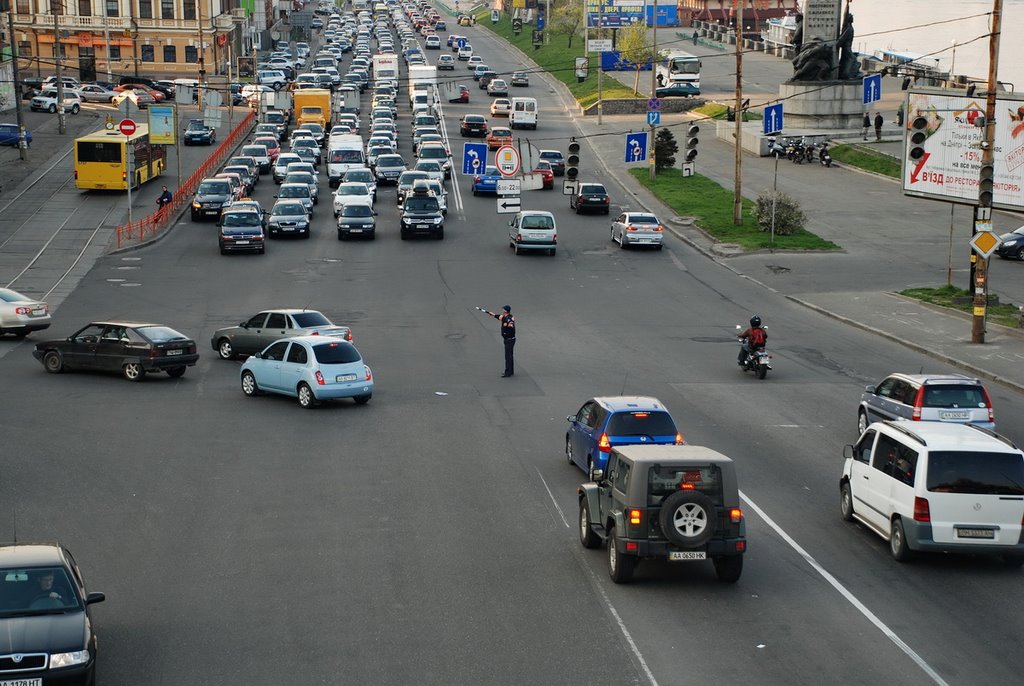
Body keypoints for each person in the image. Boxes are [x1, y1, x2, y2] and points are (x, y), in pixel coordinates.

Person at [480, 305, 516, 377]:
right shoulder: (506, 317)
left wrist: (509, 325)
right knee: (510, 356)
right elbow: (499, 317)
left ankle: (507, 373)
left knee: (508, 356)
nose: (502, 311)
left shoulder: (508, 319)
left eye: (503, 310)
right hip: (510, 339)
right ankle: (511, 371)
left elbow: (510, 323)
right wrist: (493, 314)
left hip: (509, 340)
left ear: (505, 311)